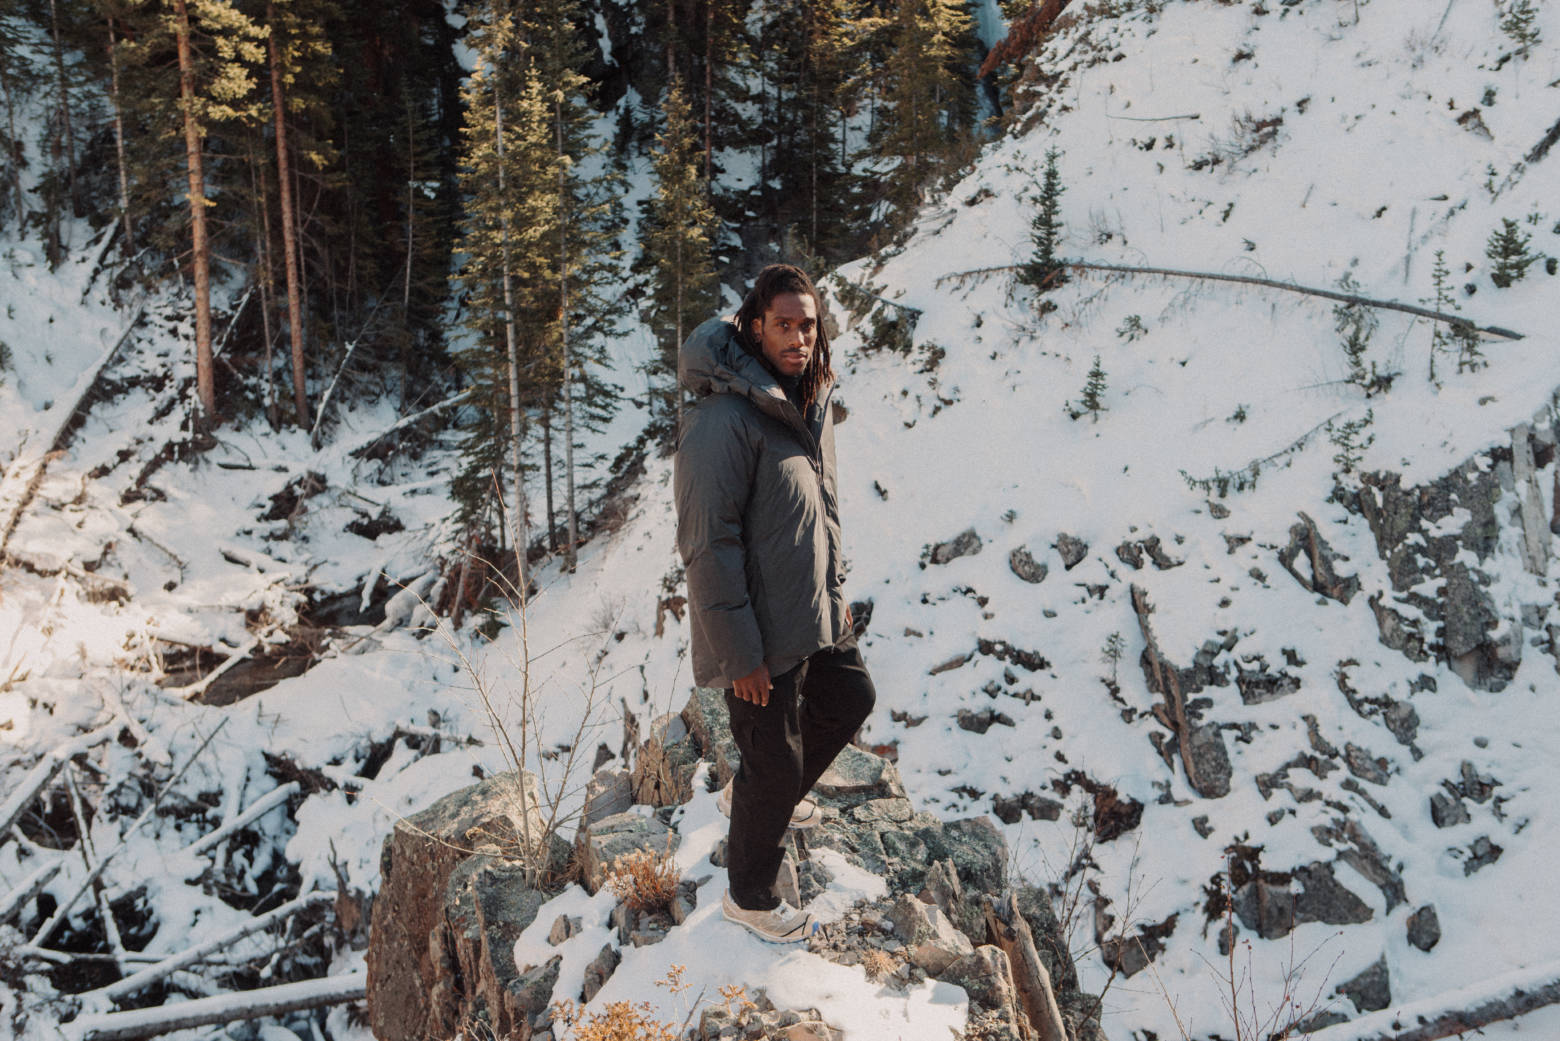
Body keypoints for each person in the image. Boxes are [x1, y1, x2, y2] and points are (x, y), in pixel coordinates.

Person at [673, 264, 876, 943]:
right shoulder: (723, 418)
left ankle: (756, 797)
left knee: (850, 697)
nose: (798, 337)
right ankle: (750, 895)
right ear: (755, 327)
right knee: (775, 759)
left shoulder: (804, 399)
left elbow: (822, 509)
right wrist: (739, 655)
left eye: (807, 325)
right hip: (758, 628)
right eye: (783, 325)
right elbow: (707, 544)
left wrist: (835, 591)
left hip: (812, 607)